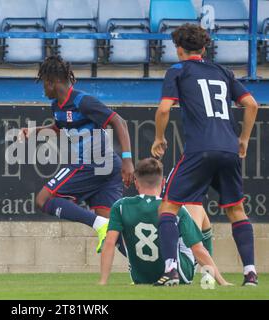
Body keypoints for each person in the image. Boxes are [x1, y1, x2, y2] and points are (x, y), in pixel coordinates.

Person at [151, 24, 259, 286]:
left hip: (200, 149)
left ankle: (171, 271)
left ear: (178, 49)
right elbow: (251, 104)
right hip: (229, 149)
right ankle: (250, 273)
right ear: (204, 47)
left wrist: (159, 137)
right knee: (236, 210)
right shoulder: (223, 72)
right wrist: (243, 139)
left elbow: (164, 109)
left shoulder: (178, 70)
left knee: (168, 207)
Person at [19, 55, 134, 254]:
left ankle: (98, 225)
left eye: (44, 84)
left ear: (53, 82)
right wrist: (36, 130)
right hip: (105, 168)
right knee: (113, 230)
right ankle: (142, 270)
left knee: (43, 200)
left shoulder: (83, 101)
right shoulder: (57, 106)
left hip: (92, 163)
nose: (43, 89)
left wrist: (128, 160)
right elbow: (60, 127)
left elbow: (119, 122)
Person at [99, 158, 229, 286]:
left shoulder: (120, 206)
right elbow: (198, 249)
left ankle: (206, 276)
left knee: (117, 233)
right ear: (163, 183)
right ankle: (209, 276)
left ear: (136, 182)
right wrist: (222, 282)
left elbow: (110, 243)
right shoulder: (172, 207)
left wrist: (103, 282)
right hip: (180, 274)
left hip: (141, 277)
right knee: (196, 208)